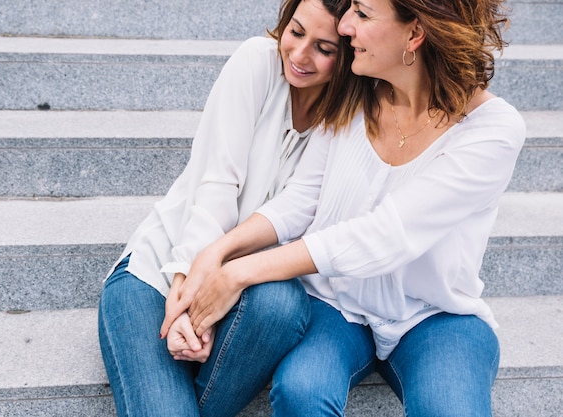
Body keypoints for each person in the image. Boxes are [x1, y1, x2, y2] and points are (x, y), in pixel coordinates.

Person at [164, 0, 526, 415]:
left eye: (363, 13)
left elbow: (385, 235)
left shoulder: (492, 130)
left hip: (433, 315)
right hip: (337, 305)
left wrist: (240, 272)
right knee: (302, 390)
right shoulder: (358, 92)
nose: (346, 25)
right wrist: (217, 251)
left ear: (414, 34)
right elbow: (304, 198)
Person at [97, 0, 360, 415]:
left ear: (349, 55)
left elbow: (298, 206)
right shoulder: (257, 61)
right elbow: (218, 183)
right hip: (159, 273)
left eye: (324, 49)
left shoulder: (347, 115)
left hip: (246, 295)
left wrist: (213, 297)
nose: (299, 55)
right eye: (295, 31)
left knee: (284, 305)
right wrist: (186, 289)